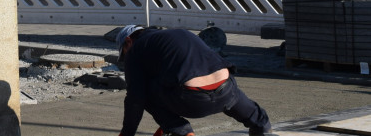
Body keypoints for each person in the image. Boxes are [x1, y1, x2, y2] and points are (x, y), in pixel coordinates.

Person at [116, 25, 273, 136]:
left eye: (123, 53)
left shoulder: (135, 51)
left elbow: (135, 100)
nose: (125, 58)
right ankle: (262, 128)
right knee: (254, 115)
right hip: (227, 92)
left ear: (128, 41)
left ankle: (182, 131)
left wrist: (127, 133)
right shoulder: (179, 34)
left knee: (143, 93)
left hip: (192, 100)